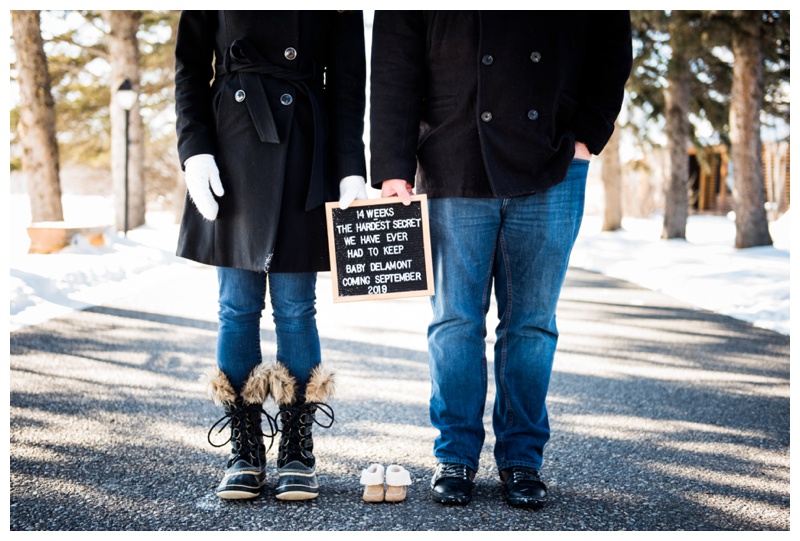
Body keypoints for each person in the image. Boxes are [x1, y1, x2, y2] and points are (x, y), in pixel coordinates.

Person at [370, 11, 632, 508]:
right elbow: (393, 60)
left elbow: (610, 38)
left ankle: (522, 459)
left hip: (553, 158)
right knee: (454, 321)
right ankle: (456, 456)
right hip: (450, 154)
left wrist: (585, 137)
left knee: (532, 324)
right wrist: (391, 164)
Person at [174, 10, 368, 501]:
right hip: (231, 146)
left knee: (296, 308)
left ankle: (297, 451)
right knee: (236, 307)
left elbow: (348, 83)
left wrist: (350, 167)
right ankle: (246, 450)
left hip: (306, 146)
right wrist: (194, 150)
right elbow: (191, 67)